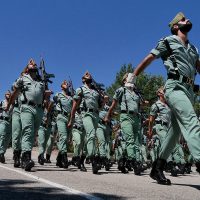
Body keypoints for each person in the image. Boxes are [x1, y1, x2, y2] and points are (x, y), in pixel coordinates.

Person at [129, 12, 200, 184]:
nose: (187, 20)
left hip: (189, 91)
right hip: (174, 87)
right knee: (191, 120)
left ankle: (157, 167)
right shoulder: (168, 41)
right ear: (176, 26)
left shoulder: (194, 48)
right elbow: (150, 58)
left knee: (174, 133)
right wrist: (134, 75)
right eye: (183, 19)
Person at [7, 59, 51, 171]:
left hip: (39, 110)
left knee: (32, 134)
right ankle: (25, 158)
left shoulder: (41, 82)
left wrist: (46, 99)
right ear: (27, 68)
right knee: (26, 130)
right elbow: (15, 92)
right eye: (31, 64)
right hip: (26, 107)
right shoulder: (23, 78)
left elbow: (45, 99)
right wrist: (8, 106)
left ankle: (23, 156)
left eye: (35, 65)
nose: (34, 65)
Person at [105, 73, 143, 175]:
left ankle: (122, 161)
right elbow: (113, 104)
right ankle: (134, 163)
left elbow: (140, 107)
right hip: (126, 116)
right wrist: (108, 115)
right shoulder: (121, 90)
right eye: (127, 76)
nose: (131, 76)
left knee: (134, 142)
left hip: (136, 118)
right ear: (124, 80)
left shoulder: (136, 93)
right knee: (130, 139)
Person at [68, 71, 103, 174]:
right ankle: (93, 161)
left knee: (89, 138)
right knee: (91, 135)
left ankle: (81, 161)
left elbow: (100, 105)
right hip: (86, 114)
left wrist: (102, 99)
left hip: (96, 115)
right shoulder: (81, 89)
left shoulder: (96, 91)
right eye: (85, 75)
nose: (88, 74)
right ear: (83, 79)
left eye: (89, 75)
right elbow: (74, 106)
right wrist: (71, 118)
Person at [53, 80, 73, 168]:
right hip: (61, 117)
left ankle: (58, 159)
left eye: (67, 84)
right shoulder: (58, 95)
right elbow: (54, 99)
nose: (66, 84)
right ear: (61, 86)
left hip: (69, 118)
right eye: (64, 83)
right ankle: (64, 159)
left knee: (66, 140)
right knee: (63, 137)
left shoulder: (71, 97)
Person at [0, 90, 12, 163]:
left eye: (9, 94)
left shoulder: (13, 104)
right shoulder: (2, 102)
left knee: (8, 139)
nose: (8, 95)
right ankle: (1, 153)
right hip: (3, 121)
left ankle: (2, 152)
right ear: (5, 95)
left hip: (10, 122)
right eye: (6, 94)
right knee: (2, 136)